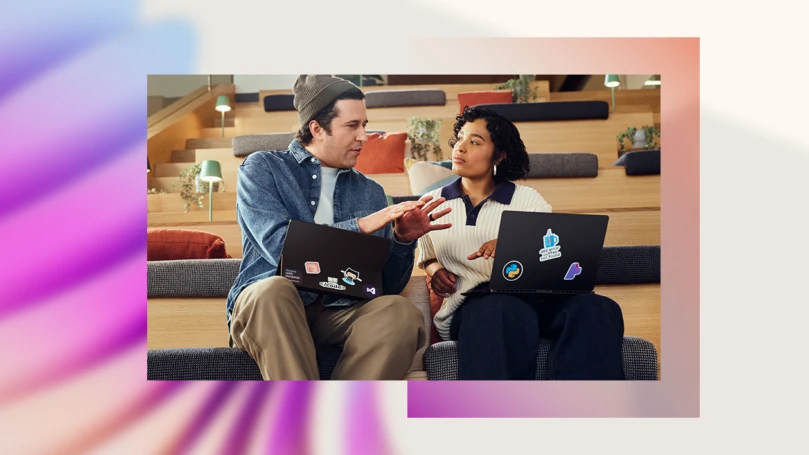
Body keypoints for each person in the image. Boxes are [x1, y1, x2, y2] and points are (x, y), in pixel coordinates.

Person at [226, 75, 452, 380]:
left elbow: (386, 285)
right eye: (352, 126)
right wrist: (360, 226)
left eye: (364, 125)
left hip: (339, 309)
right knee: (274, 290)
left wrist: (401, 240)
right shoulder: (263, 169)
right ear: (317, 128)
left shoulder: (370, 191)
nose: (365, 136)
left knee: (401, 314)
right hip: (273, 304)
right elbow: (281, 247)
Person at [417, 106, 625, 380]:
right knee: (503, 310)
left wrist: (513, 245)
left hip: (538, 298)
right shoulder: (433, 202)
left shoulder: (527, 199)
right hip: (479, 301)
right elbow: (426, 255)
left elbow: (550, 252)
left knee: (599, 308)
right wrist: (433, 270)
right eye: (460, 138)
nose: (460, 147)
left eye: (474, 142)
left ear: (500, 155)